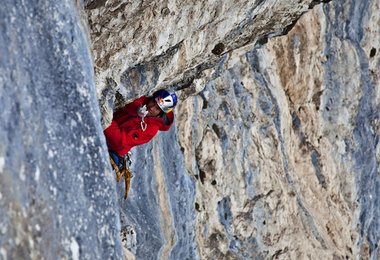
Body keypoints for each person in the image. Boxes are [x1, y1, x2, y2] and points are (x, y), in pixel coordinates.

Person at [104, 89, 177, 170]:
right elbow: (133, 101)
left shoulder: (151, 129)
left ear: (160, 114)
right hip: (107, 127)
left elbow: (120, 141)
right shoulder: (141, 100)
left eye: (157, 108)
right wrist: (136, 110)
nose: (152, 108)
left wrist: (106, 120)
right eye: (153, 102)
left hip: (113, 148)